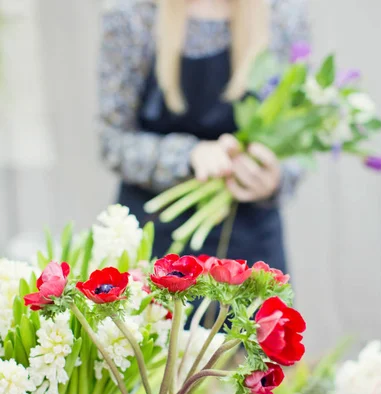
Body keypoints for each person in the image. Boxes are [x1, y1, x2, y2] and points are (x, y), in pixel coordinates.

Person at [98, 0, 310, 271]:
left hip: (250, 245)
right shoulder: (134, 14)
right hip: (155, 242)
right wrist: (189, 156)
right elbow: (112, 140)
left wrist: (274, 177)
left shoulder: (282, 14)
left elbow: (300, 136)